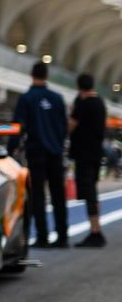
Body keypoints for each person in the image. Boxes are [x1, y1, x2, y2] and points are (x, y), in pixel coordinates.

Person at [8, 62, 68, 248]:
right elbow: (64, 126)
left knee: (38, 195)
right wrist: (58, 144)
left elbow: (17, 127)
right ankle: (63, 237)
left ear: (31, 74)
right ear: (47, 75)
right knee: (58, 194)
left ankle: (42, 237)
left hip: (36, 152)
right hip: (55, 153)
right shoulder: (57, 98)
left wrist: (10, 150)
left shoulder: (27, 98)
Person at [69, 72, 107, 247]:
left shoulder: (83, 104)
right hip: (96, 153)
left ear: (79, 87)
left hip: (84, 154)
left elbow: (71, 125)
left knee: (89, 192)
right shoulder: (100, 102)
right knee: (93, 191)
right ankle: (96, 230)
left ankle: (95, 231)